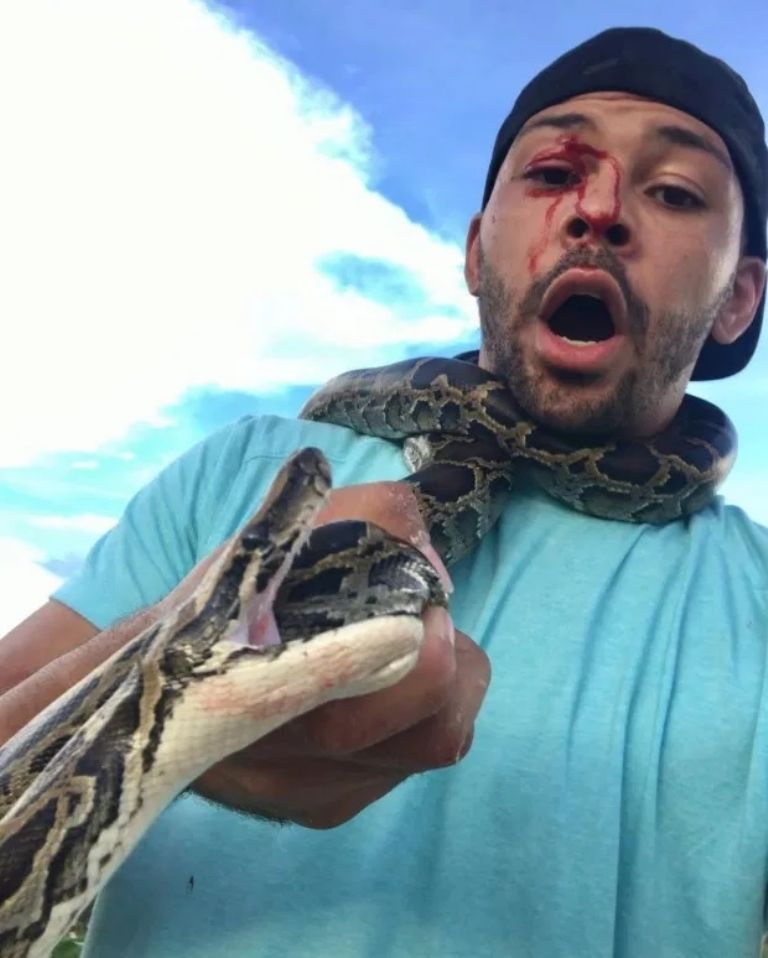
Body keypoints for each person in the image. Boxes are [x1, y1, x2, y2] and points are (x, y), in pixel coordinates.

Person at [1, 25, 767, 958]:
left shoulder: (754, 597)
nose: (599, 209)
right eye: (552, 173)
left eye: (675, 191)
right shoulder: (246, 470)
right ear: (477, 249)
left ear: (739, 297)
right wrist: (175, 663)